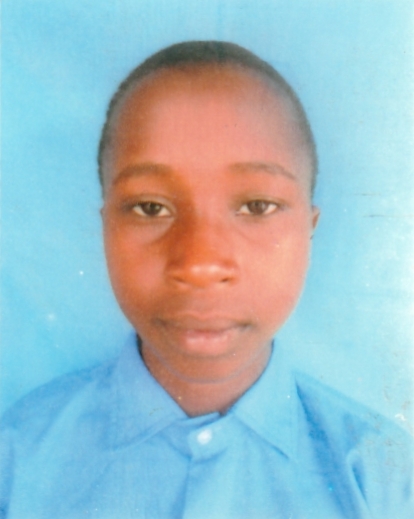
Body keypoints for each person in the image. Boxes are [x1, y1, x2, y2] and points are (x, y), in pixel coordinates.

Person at [0, 41, 412, 519]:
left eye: (257, 206)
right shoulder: (18, 462)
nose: (199, 264)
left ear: (309, 228)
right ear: (106, 226)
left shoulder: (383, 480)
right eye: (150, 207)